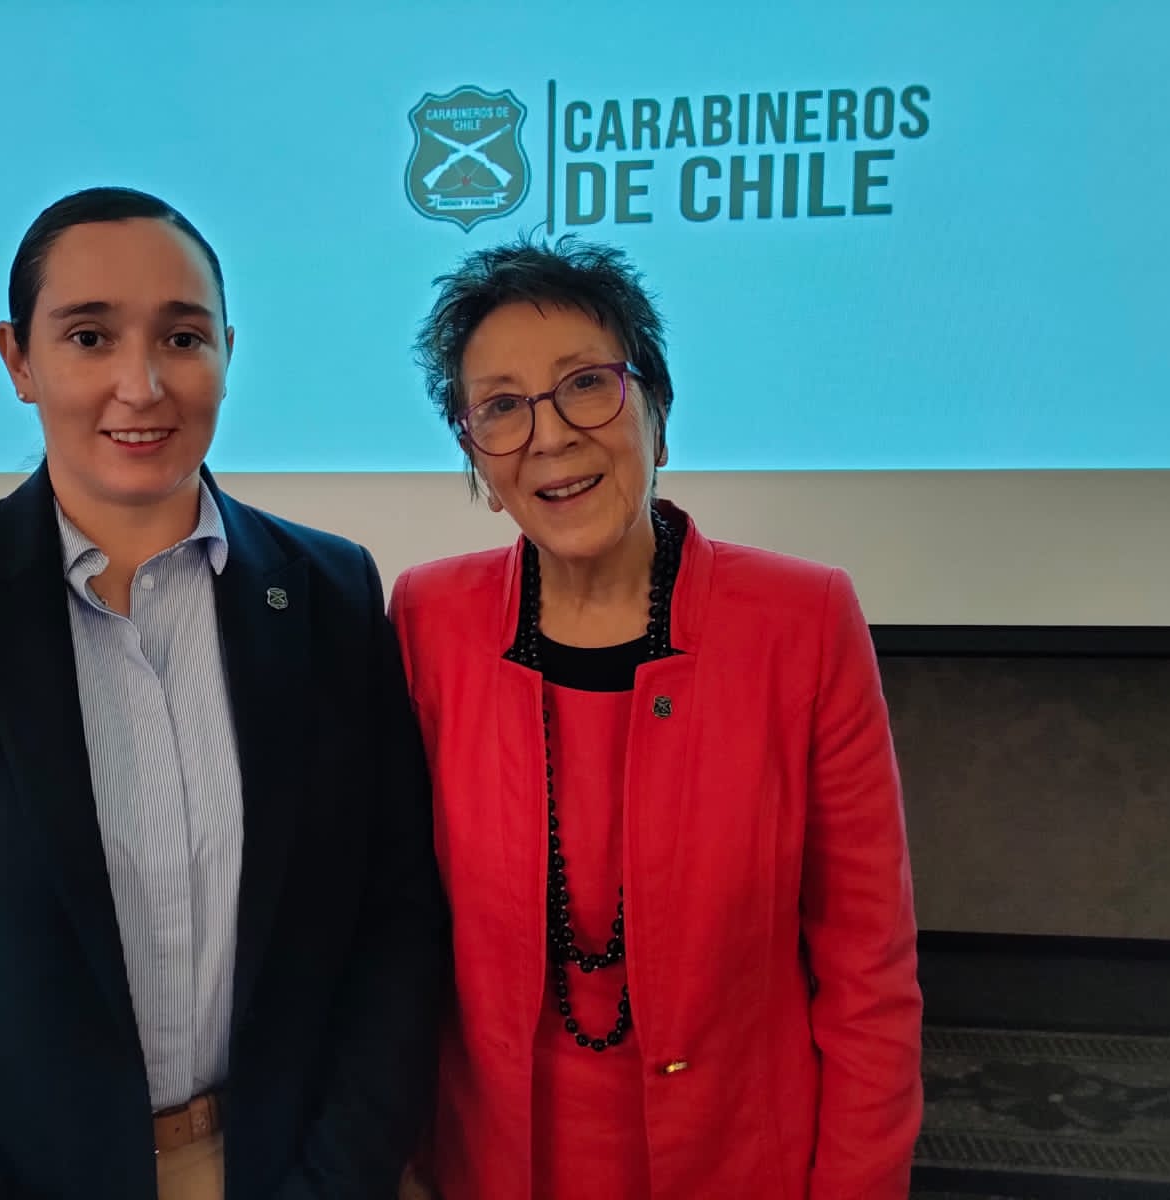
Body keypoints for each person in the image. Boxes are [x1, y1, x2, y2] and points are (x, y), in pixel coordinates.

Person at [0, 186, 447, 1200]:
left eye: (182, 337)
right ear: (18, 360)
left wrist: (336, 1179)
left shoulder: (327, 591)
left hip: (281, 1169)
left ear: (226, 353)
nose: (141, 384)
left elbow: (393, 924)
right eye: (89, 337)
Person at [390, 237, 922, 1199]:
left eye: (585, 385)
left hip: (739, 1164)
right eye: (500, 407)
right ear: (474, 455)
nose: (550, 436)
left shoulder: (800, 622)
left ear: (656, 413)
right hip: (488, 1167)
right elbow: (391, 934)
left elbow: (866, 969)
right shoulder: (429, 622)